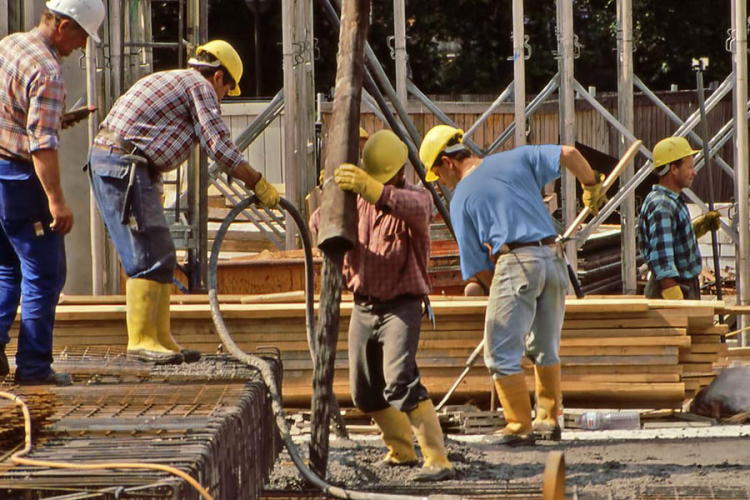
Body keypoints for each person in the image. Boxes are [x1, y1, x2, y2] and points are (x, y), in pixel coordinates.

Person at [88, 40, 279, 365]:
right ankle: (142, 339)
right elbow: (218, 144)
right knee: (149, 254)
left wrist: (154, 185)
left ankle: (160, 337)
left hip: (125, 164)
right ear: (218, 76)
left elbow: (149, 138)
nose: (222, 98)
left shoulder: (176, 81)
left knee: (159, 251)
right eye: (227, 89)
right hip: (122, 164)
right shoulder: (199, 87)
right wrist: (256, 181)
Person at [419, 125, 606, 446]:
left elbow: (478, 269)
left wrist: (501, 297)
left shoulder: (461, 197)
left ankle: (519, 426)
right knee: (544, 348)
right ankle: (548, 419)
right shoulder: (515, 158)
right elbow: (571, 154)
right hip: (554, 259)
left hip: (518, 263)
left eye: (439, 175)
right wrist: (592, 186)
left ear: (447, 163)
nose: (442, 184)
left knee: (500, 354)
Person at [311, 129, 454, 482]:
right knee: (364, 391)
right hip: (363, 306)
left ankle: (437, 459)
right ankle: (401, 450)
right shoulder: (356, 202)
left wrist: (373, 189)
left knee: (400, 380)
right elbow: (319, 227)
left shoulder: (414, 198)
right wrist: (328, 195)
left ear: (394, 173)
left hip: (401, 306)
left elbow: (419, 209)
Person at [0, 0, 105, 386]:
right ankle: (33, 369)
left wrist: (57, 117)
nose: (81, 46)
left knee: (8, 268)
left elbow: (12, 109)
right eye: (80, 36)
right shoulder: (48, 71)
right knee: (45, 275)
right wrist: (57, 201)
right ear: (63, 25)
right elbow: (41, 144)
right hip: (21, 179)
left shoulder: (10, 44)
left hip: (0, 177)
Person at [638, 136, 720, 300]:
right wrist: (675, 299)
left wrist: (701, 226)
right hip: (672, 287)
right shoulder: (663, 205)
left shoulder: (670, 200)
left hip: (682, 285)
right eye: (690, 167)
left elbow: (672, 240)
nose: (694, 172)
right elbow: (662, 258)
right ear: (674, 169)